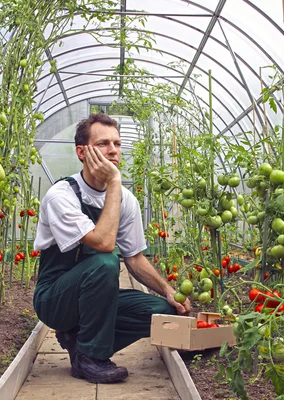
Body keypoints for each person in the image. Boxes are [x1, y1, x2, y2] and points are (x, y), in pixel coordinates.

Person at [33, 114, 191, 384]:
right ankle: (92, 358)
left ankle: (79, 344)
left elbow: (135, 258)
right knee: (106, 261)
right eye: (103, 144)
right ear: (82, 152)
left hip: (97, 299)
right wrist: (115, 181)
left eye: (116, 144)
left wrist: (168, 291)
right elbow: (105, 244)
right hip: (55, 299)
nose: (113, 150)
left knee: (164, 312)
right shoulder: (62, 195)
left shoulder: (125, 200)